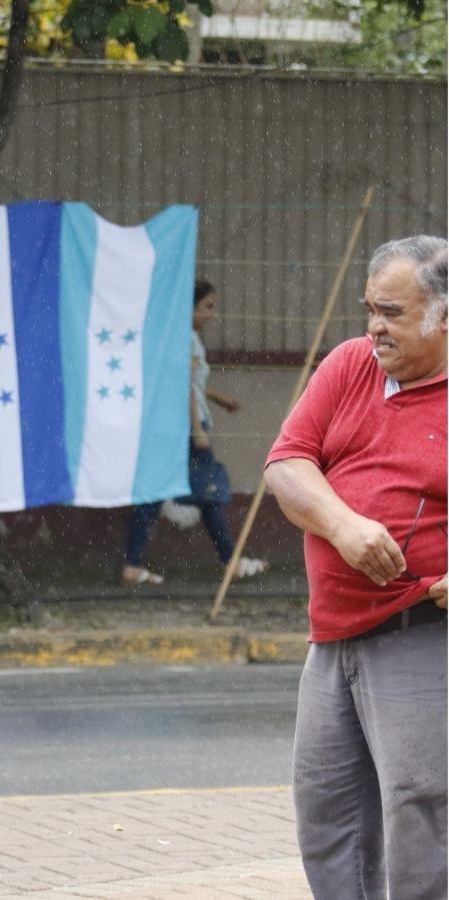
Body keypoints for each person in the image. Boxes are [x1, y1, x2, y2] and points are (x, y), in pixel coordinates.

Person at [264, 236, 448, 900]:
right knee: (327, 811)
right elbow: (288, 463)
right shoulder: (349, 365)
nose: (375, 326)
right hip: (332, 635)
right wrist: (343, 525)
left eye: (393, 312)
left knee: (422, 812)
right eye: (370, 309)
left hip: (421, 632)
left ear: (446, 315)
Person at [121, 280, 269, 585]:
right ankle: (231, 560)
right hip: (187, 428)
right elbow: (184, 385)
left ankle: (134, 564)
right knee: (209, 493)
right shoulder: (186, 339)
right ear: (188, 308)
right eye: (207, 307)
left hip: (176, 427)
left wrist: (216, 397)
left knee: (158, 493)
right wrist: (197, 428)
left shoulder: (180, 338)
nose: (211, 315)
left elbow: (193, 383)